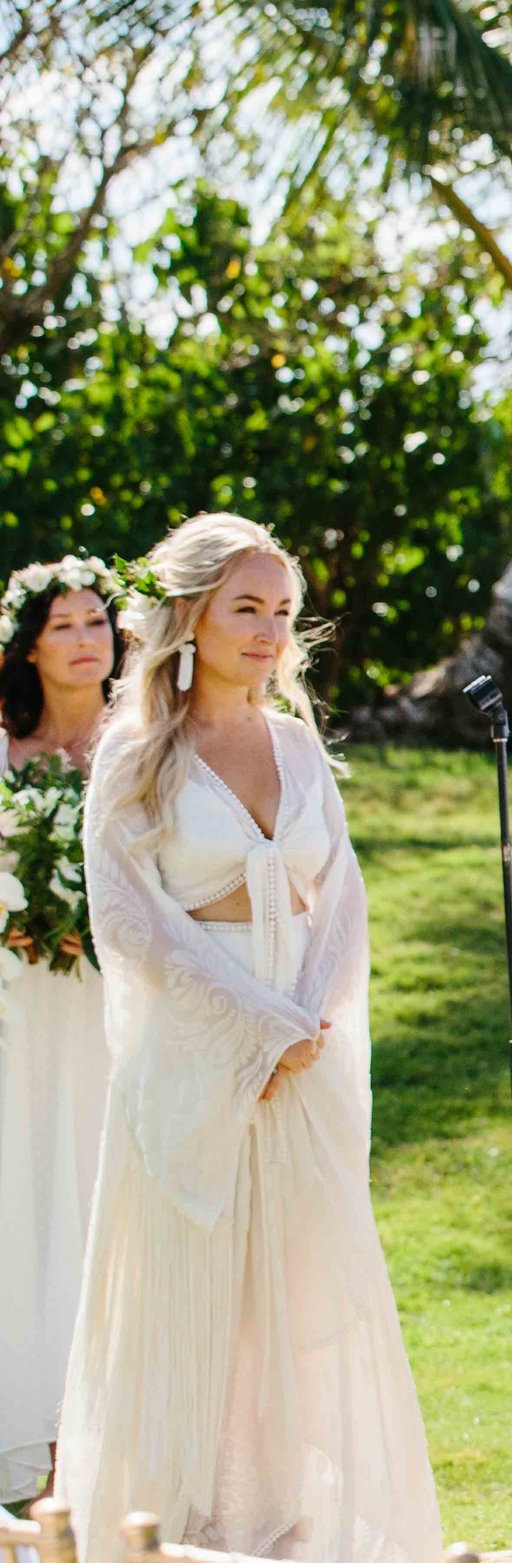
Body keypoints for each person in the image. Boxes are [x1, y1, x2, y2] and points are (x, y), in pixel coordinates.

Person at [56, 513, 440, 1563]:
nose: (271, 631)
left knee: (298, 1306)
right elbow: (131, 923)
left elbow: (344, 894)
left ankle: (286, 1527)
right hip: (194, 1060)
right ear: (190, 615)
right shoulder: (138, 750)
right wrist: (257, 1026)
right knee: (194, 1315)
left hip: (304, 1057)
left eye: (283, 611)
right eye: (247, 608)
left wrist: (305, 1018)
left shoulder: (299, 742)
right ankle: (181, 1534)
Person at [0, 555, 123, 1505]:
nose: (87, 641)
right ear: (30, 646)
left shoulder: (144, 743)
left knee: (104, 1181)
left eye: (98, 623)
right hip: (21, 1000)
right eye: (66, 625)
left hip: (118, 997)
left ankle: (112, 1423)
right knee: (27, 1184)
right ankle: (26, 1423)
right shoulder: (3, 751)